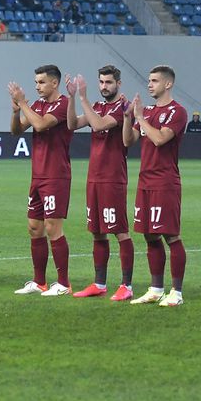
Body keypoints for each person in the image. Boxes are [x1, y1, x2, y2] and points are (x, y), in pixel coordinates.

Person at [66, 66, 135, 300]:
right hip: (93, 178)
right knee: (97, 232)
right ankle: (100, 283)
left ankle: (127, 286)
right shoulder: (96, 106)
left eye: (108, 82)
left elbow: (98, 125)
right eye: (101, 82)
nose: (104, 86)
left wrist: (83, 97)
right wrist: (72, 98)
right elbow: (72, 124)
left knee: (120, 232)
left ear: (118, 84)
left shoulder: (121, 108)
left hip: (113, 178)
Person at [125, 65, 189, 307]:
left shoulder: (177, 112)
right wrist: (127, 116)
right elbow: (128, 140)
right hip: (145, 181)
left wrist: (140, 117)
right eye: (149, 80)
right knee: (150, 235)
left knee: (171, 236)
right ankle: (156, 289)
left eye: (154, 81)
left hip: (165, 182)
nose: (149, 84)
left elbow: (161, 139)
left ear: (168, 84)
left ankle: (177, 292)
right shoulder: (148, 111)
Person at [9, 65, 74, 296]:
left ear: (54, 83)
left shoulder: (63, 104)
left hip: (56, 175)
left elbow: (40, 124)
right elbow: (16, 131)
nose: (37, 86)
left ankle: (64, 284)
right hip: (37, 175)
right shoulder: (37, 105)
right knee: (34, 228)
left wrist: (23, 102)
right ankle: (39, 282)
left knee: (52, 227)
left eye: (41, 82)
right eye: (36, 82)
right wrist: (16, 110)